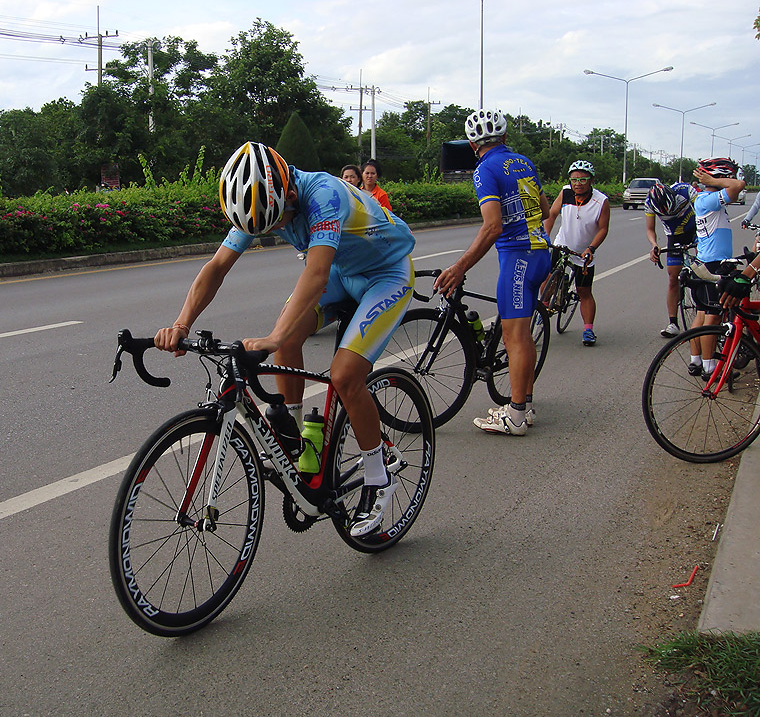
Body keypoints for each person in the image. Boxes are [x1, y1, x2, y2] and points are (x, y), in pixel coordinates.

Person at [155, 142, 416, 536]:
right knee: (290, 339)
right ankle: (296, 438)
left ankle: (379, 477)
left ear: (289, 194)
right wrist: (182, 323)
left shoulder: (324, 194)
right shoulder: (260, 202)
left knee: (345, 375)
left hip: (386, 274)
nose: (275, 230)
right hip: (343, 272)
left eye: (276, 222)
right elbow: (217, 266)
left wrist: (275, 337)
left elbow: (316, 273)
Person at [435, 110, 551, 435]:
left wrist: (460, 267)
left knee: (514, 337)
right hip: (540, 252)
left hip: (517, 258)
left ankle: (515, 417)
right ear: (505, 138)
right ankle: (524, 406)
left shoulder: (484, 169)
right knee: (523, 334)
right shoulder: (524, 162)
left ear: (473, 145)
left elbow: (492, 226)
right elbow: (544, 210)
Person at [687, 157, 746, 377]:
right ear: (719, 177)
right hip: (714, 263)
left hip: (707, 260)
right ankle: (709, 366)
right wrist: (712, 181)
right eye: (727, 177)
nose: (730, 180)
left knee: (702, 313)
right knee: (712, 316)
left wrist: (713, 181)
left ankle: (696, 361)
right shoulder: (708, 199)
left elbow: (735, 190)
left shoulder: (706, 199)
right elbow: (739, 186)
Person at [542, 160, 611, 347]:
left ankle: (588, 330)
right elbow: (551, 214)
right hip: (562, 245)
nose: (577, 184)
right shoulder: (566, 193)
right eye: (574, 180)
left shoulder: (601, 201)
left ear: (591, 180)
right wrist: (545, 237)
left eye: (582, 180)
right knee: (547, 278)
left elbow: (603, 229)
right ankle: (544, 307)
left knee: (584, 292)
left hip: (584, 253)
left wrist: (591, 248)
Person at [644, 182, 697, 337]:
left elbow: (704, 212)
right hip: (675, 236)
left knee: (703, 269)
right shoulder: (649, 204)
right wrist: (654, 245)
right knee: (673, 278)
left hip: (696, 231)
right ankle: (673, 323)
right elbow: (650, 229)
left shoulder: (685, 191)